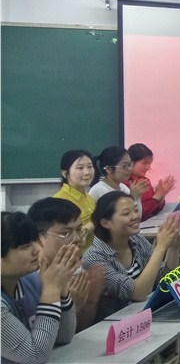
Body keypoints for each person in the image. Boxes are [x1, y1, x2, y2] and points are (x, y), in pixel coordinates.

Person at [82, 191, 180, 323]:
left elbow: (164, 280)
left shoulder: (137, 240)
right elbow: (137, 293)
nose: (135, 216)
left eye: (135, 210)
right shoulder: (94, 258)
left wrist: (173, 247)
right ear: (106, 223)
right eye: (126, 213)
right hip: (116, 326)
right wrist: (160, 247)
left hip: (145, 317)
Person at [1, 211, 80, 364]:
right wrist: (51, 290)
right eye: (25, 246)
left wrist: (61, 288)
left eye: (34, 241)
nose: (36, 249)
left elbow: (64, 337)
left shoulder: (31, 280)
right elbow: (35, 355)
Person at [27, 197, 105, 332]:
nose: (78, 239)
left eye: (79, 230)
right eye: (66, 233)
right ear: (39, 239)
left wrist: (90, 301)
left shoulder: (74, 267)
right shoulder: (27, 276)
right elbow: (39, 339)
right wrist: (69, 306)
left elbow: (79, 330)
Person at [53, 149, 96, 251]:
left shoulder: (88, 197)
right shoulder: (59, 202)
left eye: (90, 167)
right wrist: (93, 224)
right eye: (80, 168)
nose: (87, 172)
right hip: (75, 258)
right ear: (65, 173)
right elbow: (67, 238)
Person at [89, 146, 147, 214]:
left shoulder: (123, 188)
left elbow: (137, 216)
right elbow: (114, 217)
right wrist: (132, 197)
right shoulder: (98, 190)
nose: (130, 169)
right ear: (108, 169)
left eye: (130, 164)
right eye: (125, 166)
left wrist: (137, 196)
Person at [126, 143, 176, 222]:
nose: (148, 167)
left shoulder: (145, 181)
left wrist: (161, 195)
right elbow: (140, 214)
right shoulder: (125, 183)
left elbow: (154, 211)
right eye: (144, 163)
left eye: (149, 163)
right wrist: (157, 195)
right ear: (131, 162)